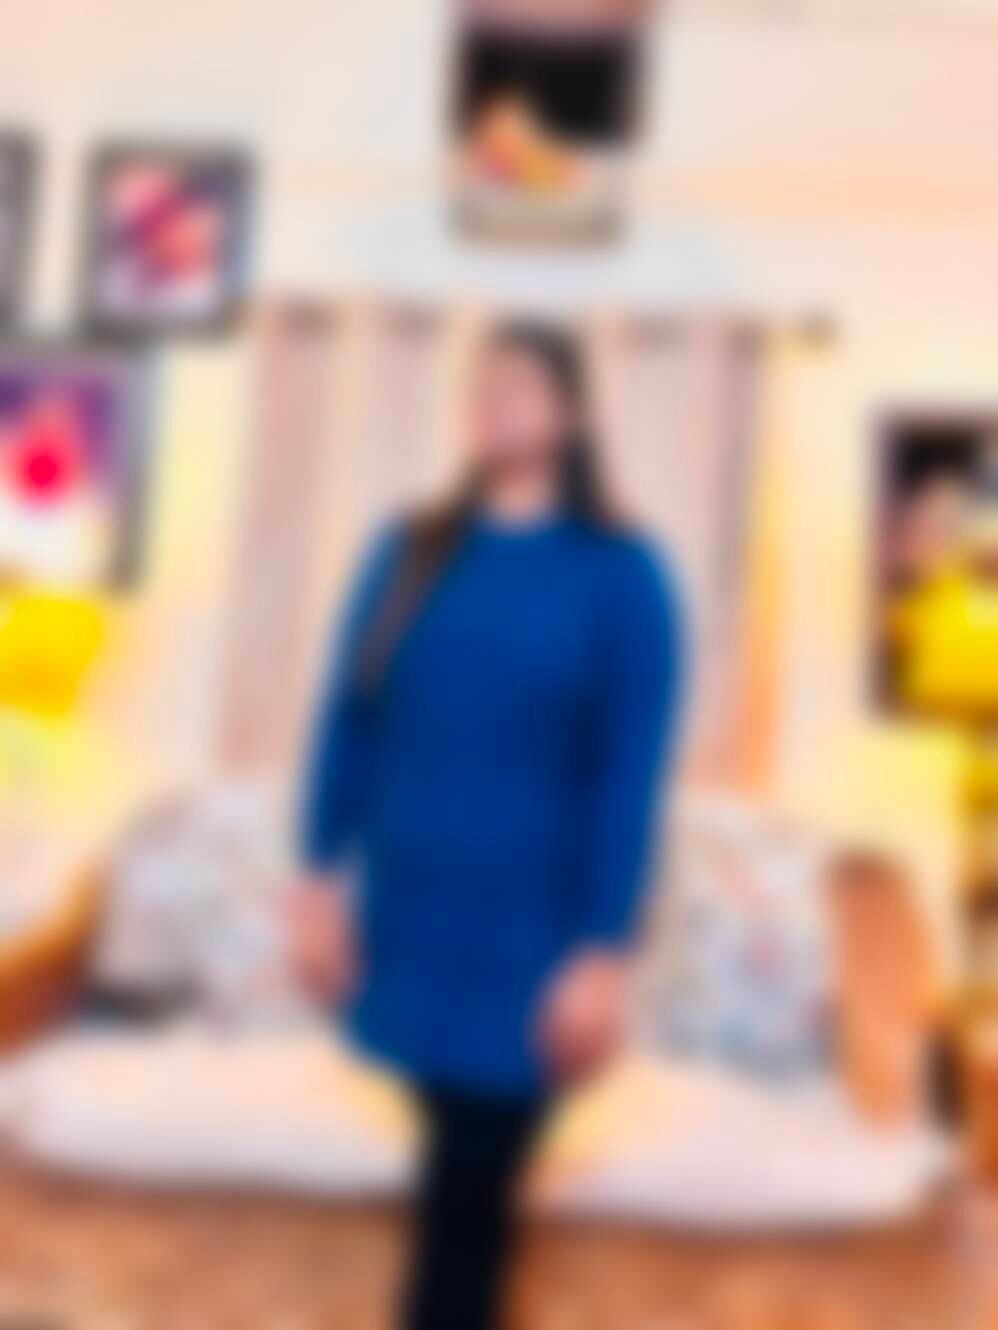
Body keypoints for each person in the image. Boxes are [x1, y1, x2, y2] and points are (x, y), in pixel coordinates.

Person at [290, 320, 685, 1330]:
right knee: (458, 1189)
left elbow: (629, 780)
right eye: (481, 386)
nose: (492, 403)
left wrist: (601, 951)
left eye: (518, 386)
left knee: (466, 1195)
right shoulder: (409, 549)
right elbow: (348, 718)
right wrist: (315, 880)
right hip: (409, 929)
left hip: (533, 948)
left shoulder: (622, 573)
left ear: (570, 414)